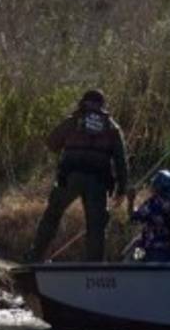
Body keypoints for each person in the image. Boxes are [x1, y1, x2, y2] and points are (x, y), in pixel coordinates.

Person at [26, 89, 128, 263]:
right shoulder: (112, 127)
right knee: (96, 228)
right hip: (98, 182)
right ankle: (93, 269)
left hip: (69, 178)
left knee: (52, 216)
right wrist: (122, 190)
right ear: (102, 105)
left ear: (84, 102)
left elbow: (51, 142)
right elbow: (121, 161)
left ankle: (35, 258)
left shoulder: (73, 121)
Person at [128, 170, 170, 261]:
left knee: (132, 259)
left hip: (151, 248)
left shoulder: (153, 203)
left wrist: (131, 200)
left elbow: (133, 217)